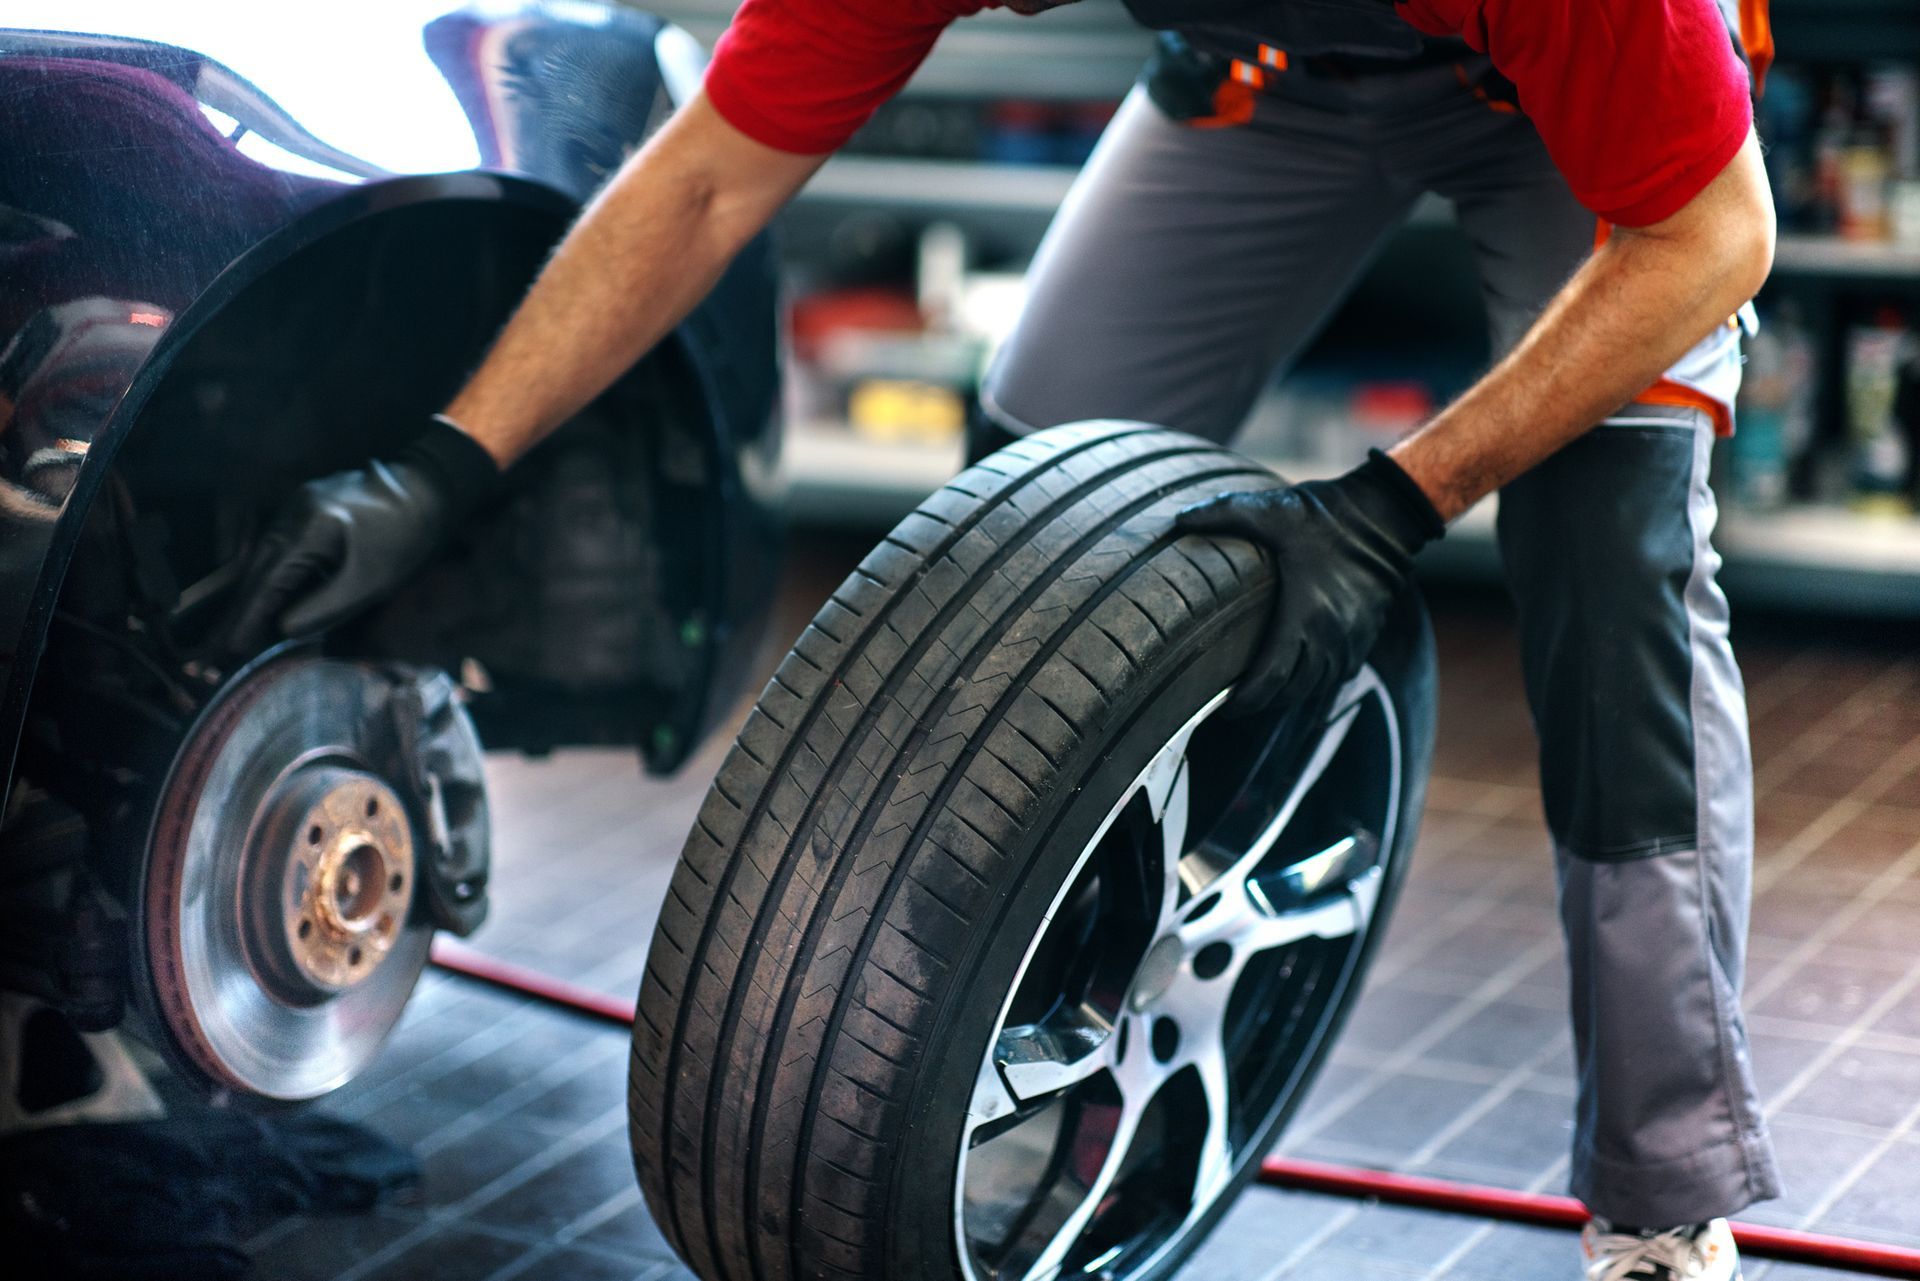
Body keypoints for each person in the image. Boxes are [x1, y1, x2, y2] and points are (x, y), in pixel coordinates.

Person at [229, 3, 1780, 1277]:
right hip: (1267, 84)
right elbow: (705, 179)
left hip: (1571, 105)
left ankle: (1664, 1188)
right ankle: (1047, 978)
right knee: (1032, 489)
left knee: (1609, 556)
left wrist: (1390, 503)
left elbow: (1711, 234)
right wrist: (443, 462)